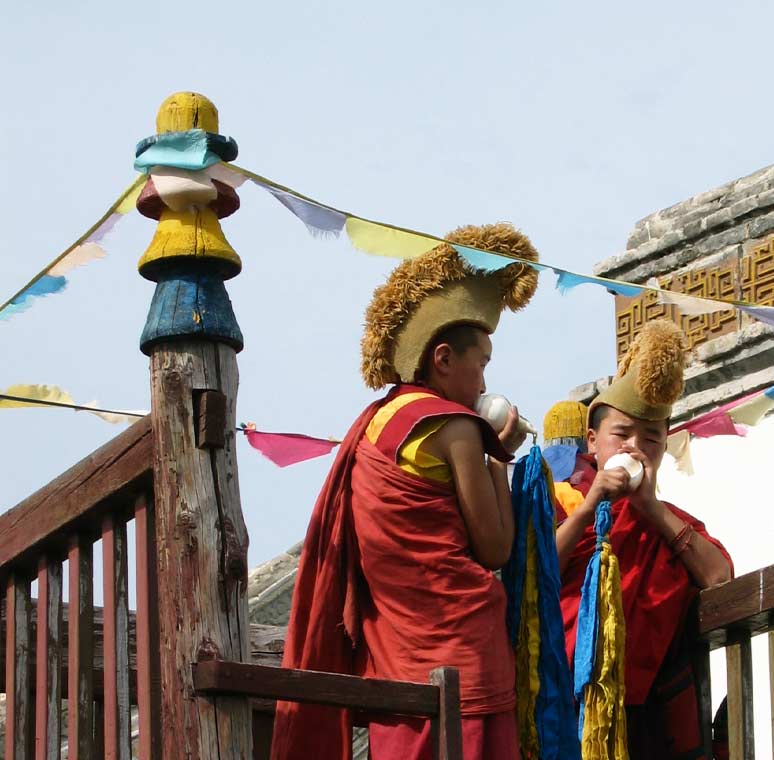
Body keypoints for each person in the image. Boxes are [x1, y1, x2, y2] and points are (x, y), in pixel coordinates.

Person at [270, 223, 540, 760]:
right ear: (442, 359)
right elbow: (494, 548)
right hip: (463, 655)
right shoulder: (456, 426)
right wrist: (498, 459)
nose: (485, 383)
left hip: (396, 657)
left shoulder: (375, 423)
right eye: (480, 362)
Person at [554, 318, 734, 759]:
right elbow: (536, 572)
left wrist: (649, 507)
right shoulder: (562, 505)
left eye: (651, 438)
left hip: (643, 713)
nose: (635, 447)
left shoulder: (671, 522)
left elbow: (720, 576)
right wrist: (593, 499)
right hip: (561, 699)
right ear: (593, 443)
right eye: (621, 435)